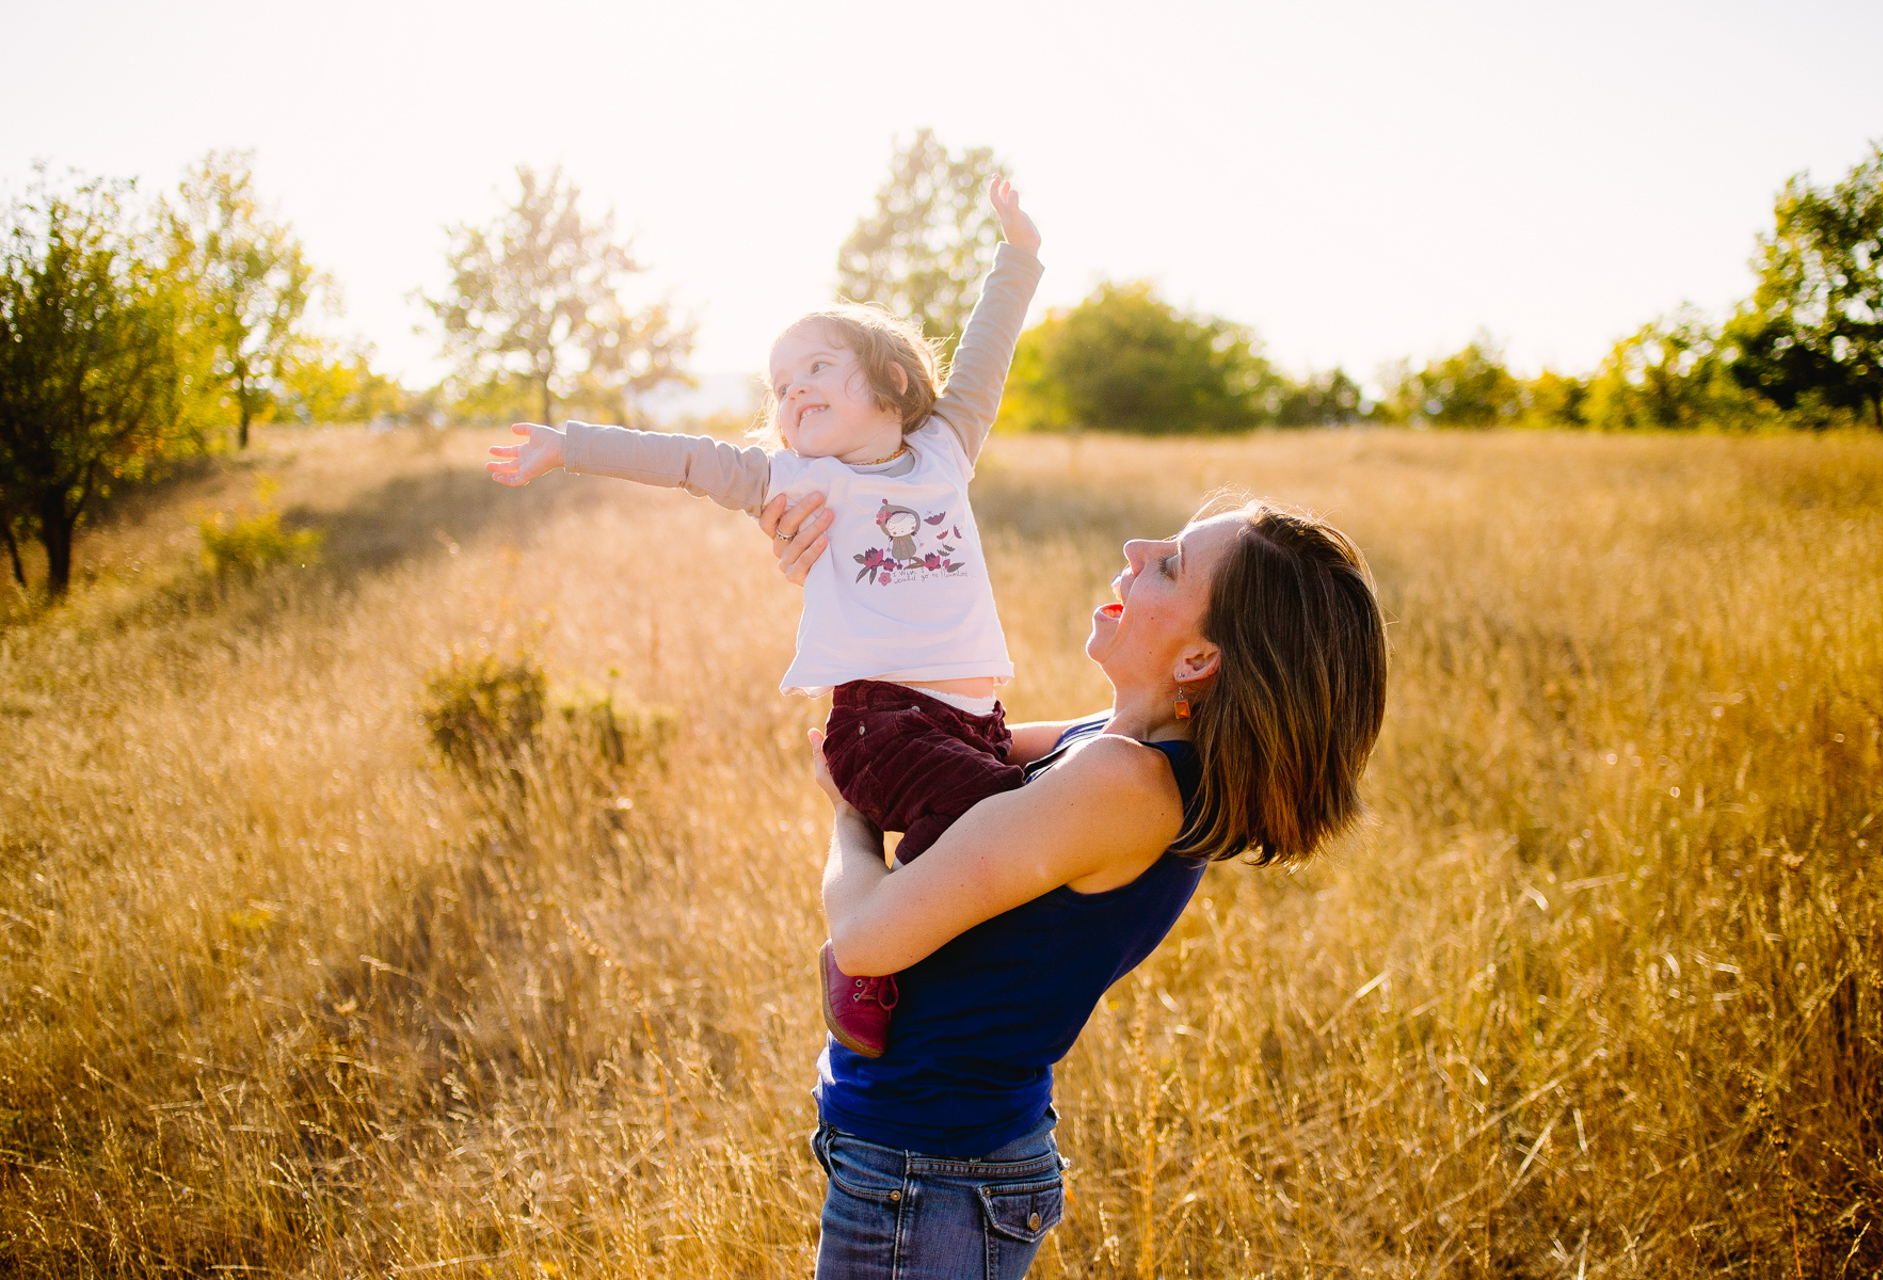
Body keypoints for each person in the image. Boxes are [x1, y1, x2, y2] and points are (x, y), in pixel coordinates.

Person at [756, 492, 1390, 1279]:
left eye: (1169, 565)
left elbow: (865, 936)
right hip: (924, 1154)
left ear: (1198, 661)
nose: (1133, 545)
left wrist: (848, 811)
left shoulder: (1123, 782)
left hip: (932, 1173)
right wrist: (849, 567)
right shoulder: (1109, 741)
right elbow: (916, 738)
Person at [485, 179, 1044, 1060]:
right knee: (995, 822)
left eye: (816, 368)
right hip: (879, 724)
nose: (792, 393)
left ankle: (911, 949)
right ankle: (865, 959)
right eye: (780, 385)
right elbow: (684, 460)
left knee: (1018, 817)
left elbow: (988, 349)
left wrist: (1019, 253)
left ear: (893, 382)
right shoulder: (792, 478)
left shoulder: (944, 447)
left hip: (976, 721)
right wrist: (571, 444)